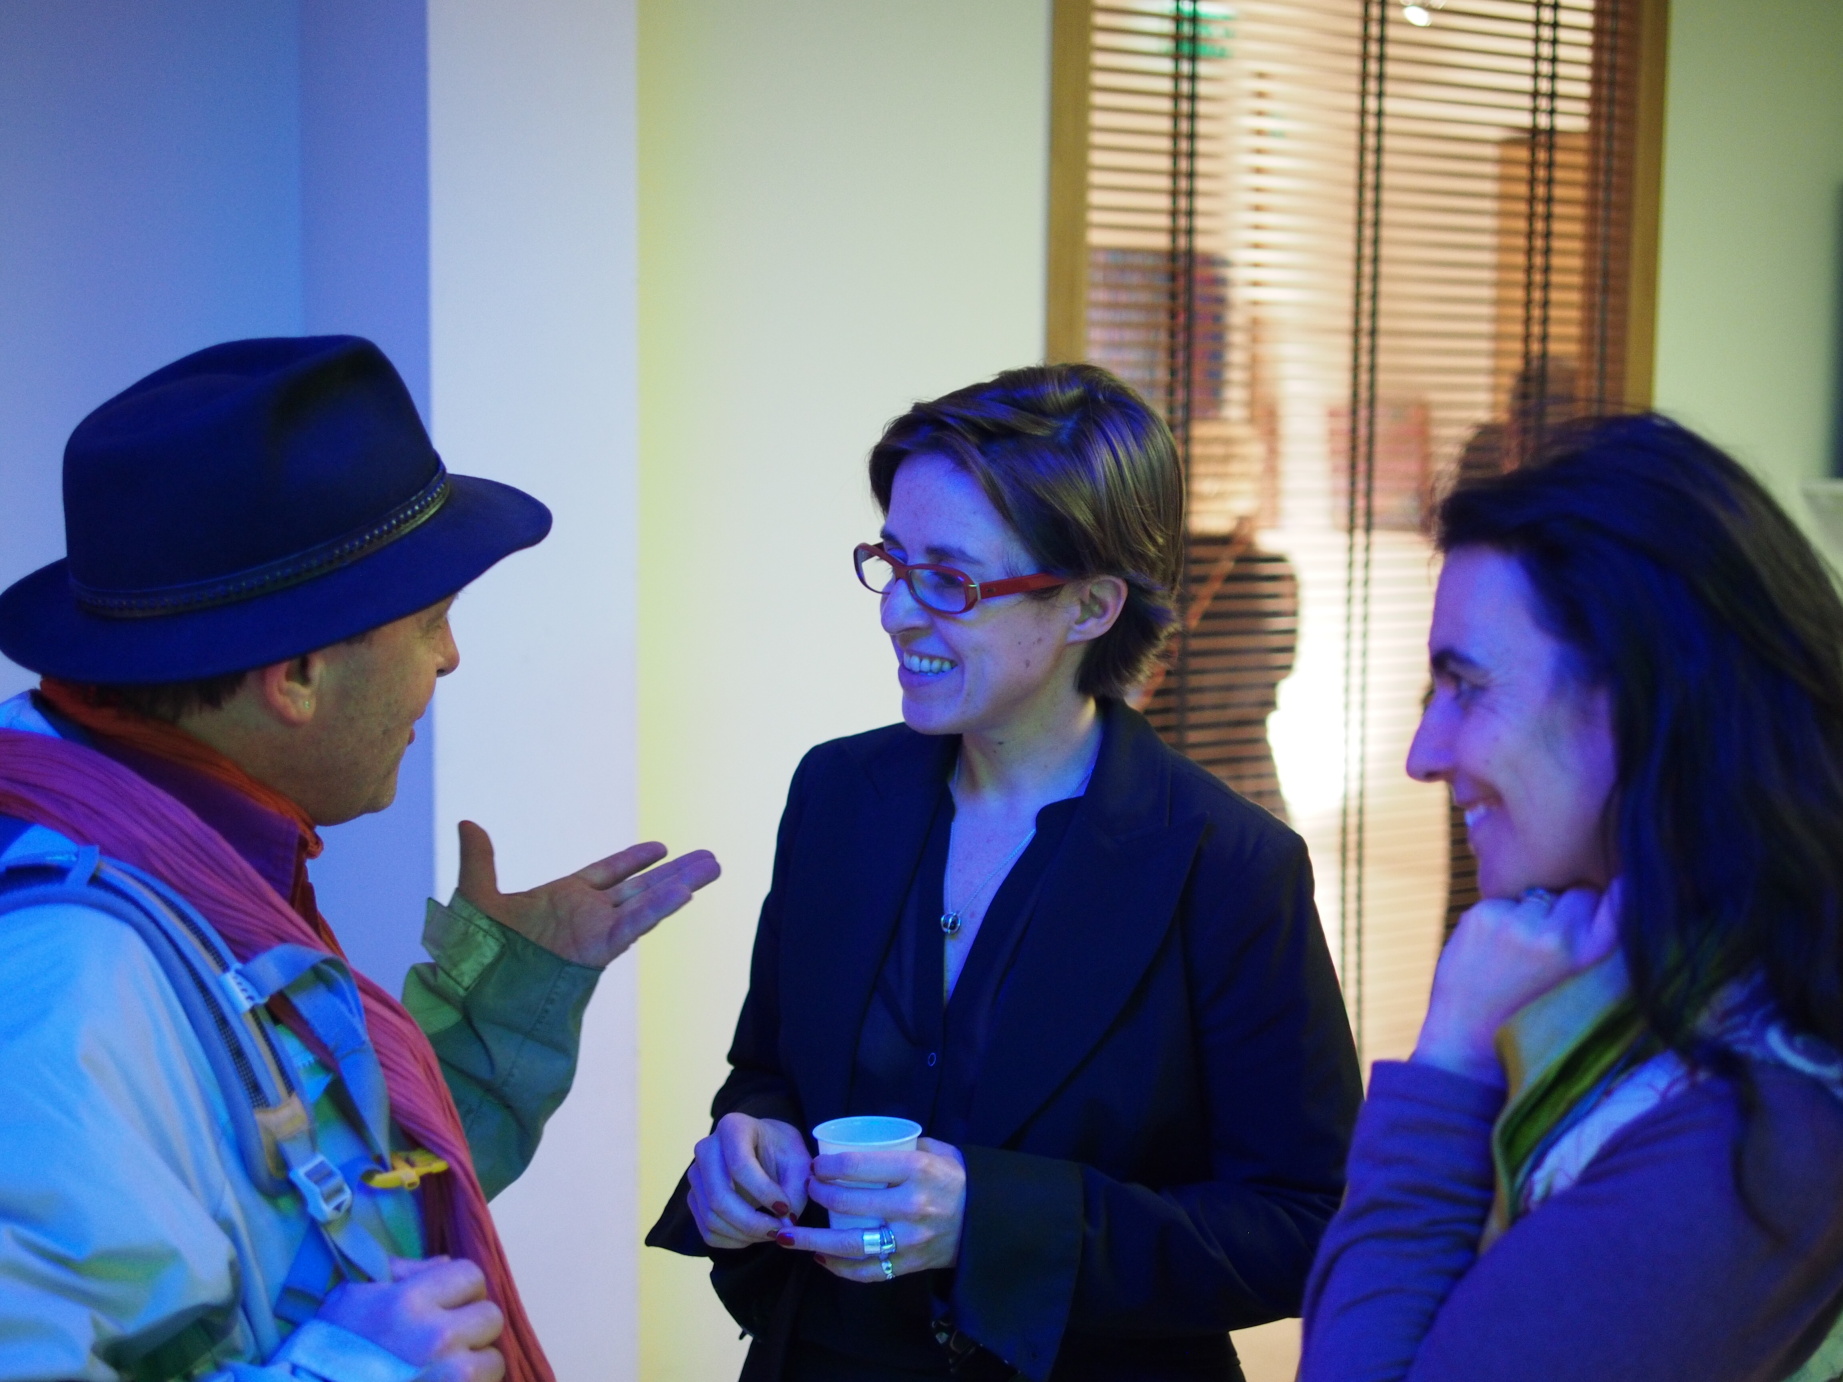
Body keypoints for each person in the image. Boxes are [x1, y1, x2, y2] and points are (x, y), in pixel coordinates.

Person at [0, 337, 719, 1382]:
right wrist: (351, 1371)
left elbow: (309, 1216)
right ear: (296, 674)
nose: (449, 658)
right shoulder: (60, 975)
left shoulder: (168, 861)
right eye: (431, 621)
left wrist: (498, 1005)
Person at [647, 364, 1361, 1382]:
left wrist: (991, 1217)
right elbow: (769, 1069)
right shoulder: (838, 795)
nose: (897, 613)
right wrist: (747, 1140)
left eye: (950, 580)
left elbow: (1302, 1223)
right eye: (891, 562)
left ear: (1090, 606)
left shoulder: (1228, 865)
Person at [1299, 414, 1843, 1381]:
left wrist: (1451, 1058)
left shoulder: (1749, 1131)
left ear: (1635, 701)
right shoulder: (1662, 987)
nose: (1423, 754)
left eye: (1466, 687)